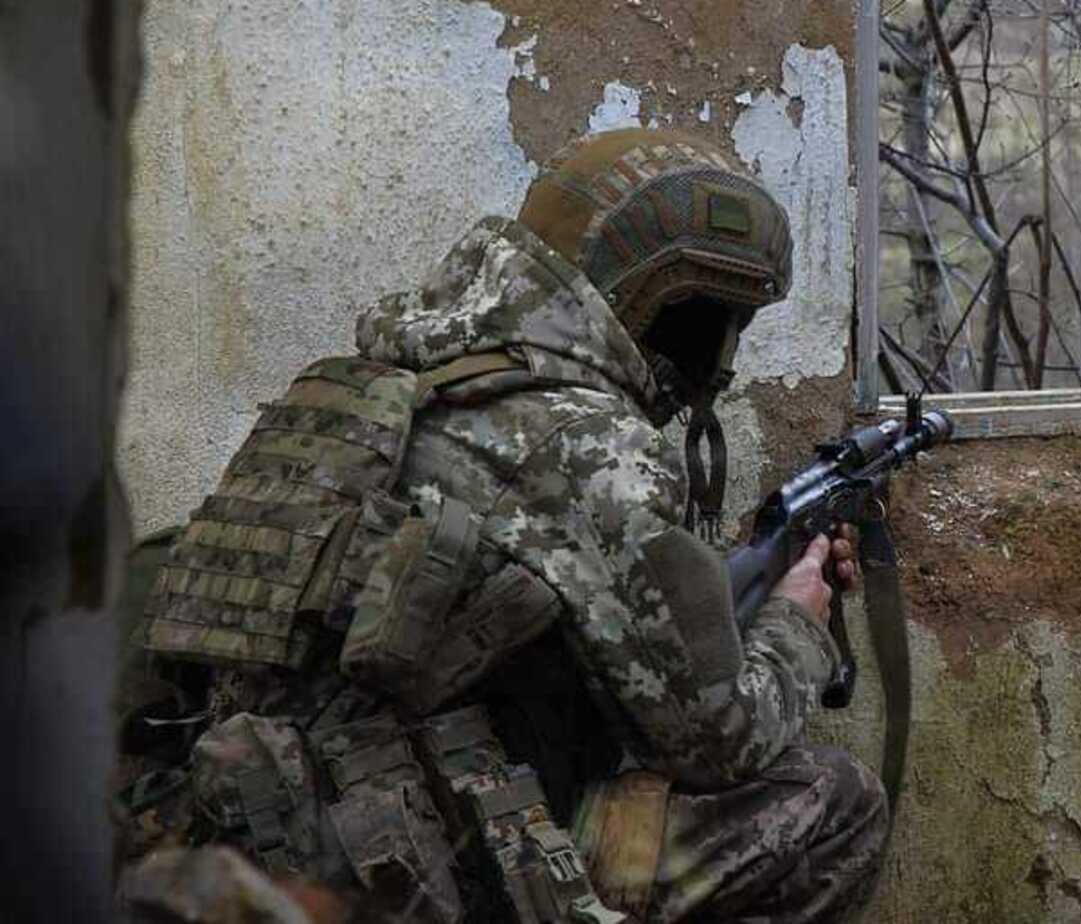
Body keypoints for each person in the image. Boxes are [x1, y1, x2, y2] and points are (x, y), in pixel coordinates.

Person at [127, 128, 887, 924]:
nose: (722, 361)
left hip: (258, 828)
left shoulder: (379, 388)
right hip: (437, 865)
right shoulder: (590, 447)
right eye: (715, 321)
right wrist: (798, 625)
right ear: (653, 302)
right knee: (833, 805)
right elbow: (713, 743)